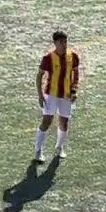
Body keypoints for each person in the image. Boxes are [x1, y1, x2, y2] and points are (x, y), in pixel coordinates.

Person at [33, 30, 80, 163]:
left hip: (66, 95)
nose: (64, 44)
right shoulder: (48, 58)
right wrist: (40, 95)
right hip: (51, 94)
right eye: (61, 42)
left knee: (64, 122)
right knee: (46, 121)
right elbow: (39, 76)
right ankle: (38, 150)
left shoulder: (73, 56)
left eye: (65, 42)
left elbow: (76, 74)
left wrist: (74, 90)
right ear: (55, 43)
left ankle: (59, 147)